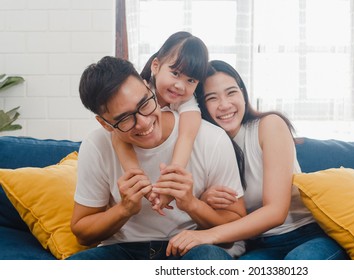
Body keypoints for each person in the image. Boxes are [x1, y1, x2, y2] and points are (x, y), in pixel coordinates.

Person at [165, 60, 348, 260]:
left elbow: (276, 212)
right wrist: (206, 202)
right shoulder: (208, 145)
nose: (225, 105)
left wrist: (207, 235)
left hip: (306, 234)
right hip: (259, 245)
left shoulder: (269, 126)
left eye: (231, 92)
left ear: (243, 94)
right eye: (212, 98)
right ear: (202, 106)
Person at [67, 56, 246, 260]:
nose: (144, 123)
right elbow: (82, 233)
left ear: (148, 87)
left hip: (190, 247)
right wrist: (124, 209)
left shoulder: (211, 138)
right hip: (124, 251)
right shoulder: (96, 145)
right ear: (106, 124)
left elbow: (235, 227)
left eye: (144, 103)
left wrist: (190, 203)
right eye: (125, 119)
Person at [111, 31, 205, 215]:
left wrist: (172, 182)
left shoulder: (187, 102)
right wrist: (142, 186)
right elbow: (118, 136)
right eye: (175, 73)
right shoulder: (141, 90)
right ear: (155, 66)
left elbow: (187, 136)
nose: (180, 85)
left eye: (191, 80)